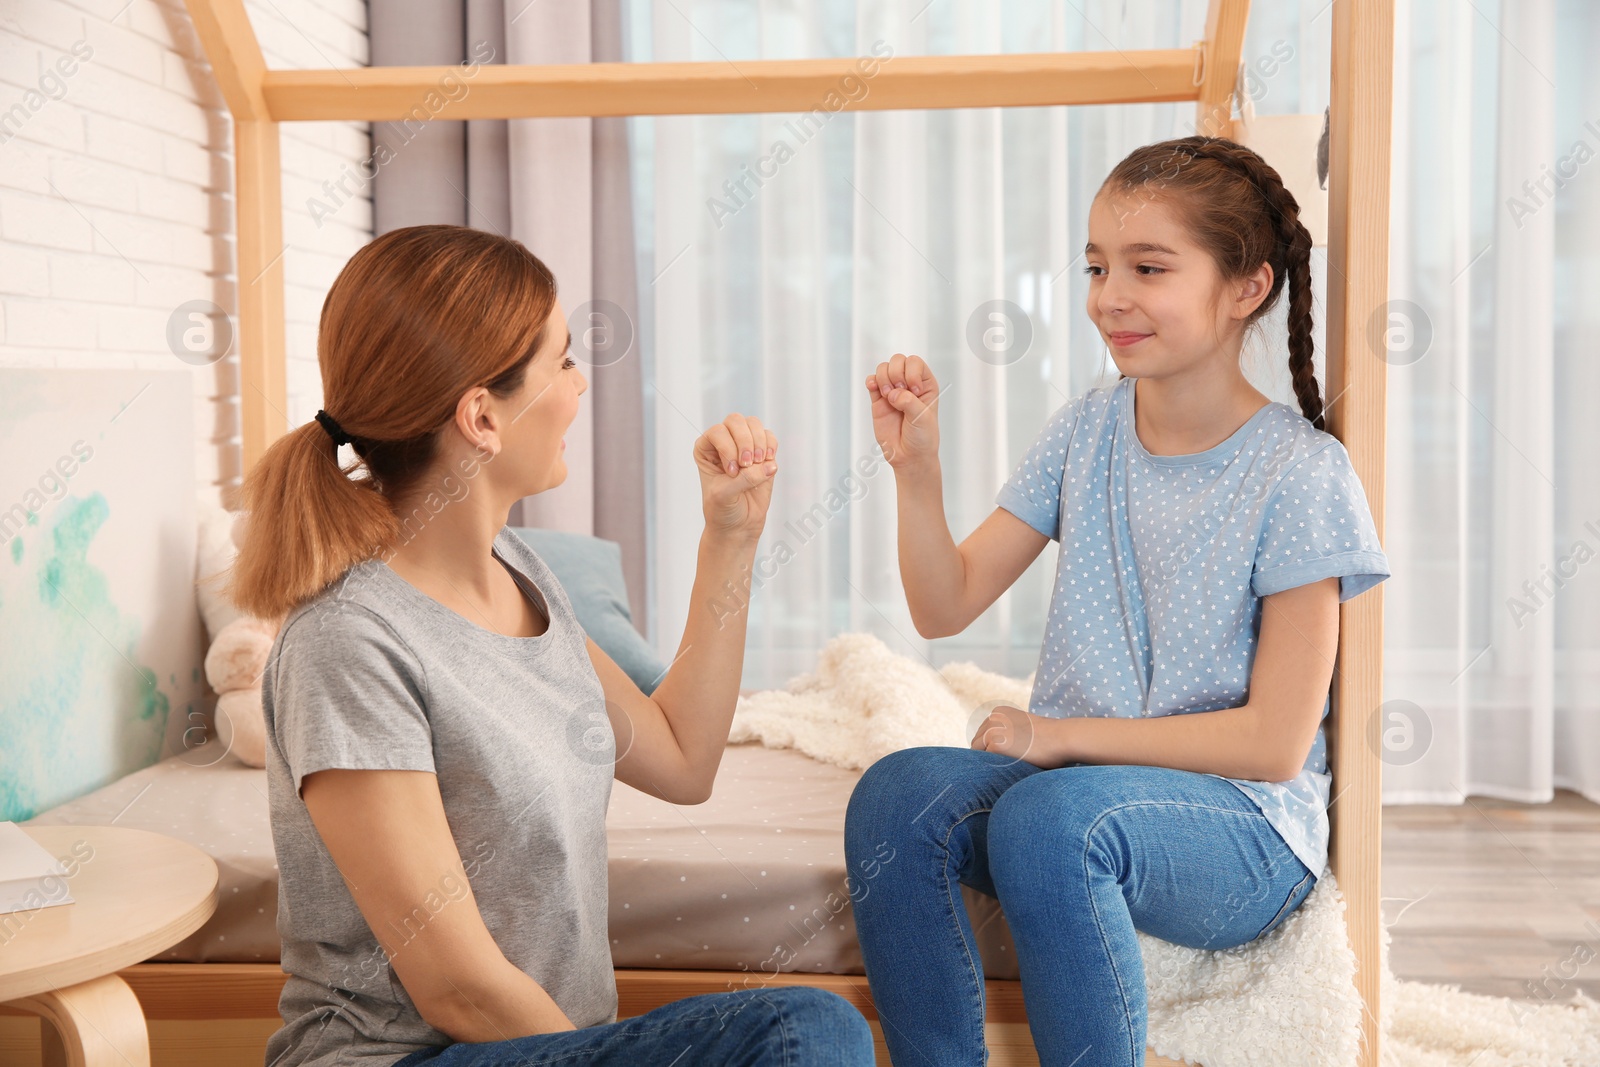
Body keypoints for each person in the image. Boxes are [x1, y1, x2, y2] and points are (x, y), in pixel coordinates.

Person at [227, 225, 875, 1067]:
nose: (579, 390)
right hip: (404, 1058)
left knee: (809, 1031)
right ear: (481, 416)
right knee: (806, 1034)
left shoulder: (522, 573)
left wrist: (732, 539)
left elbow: (682, 760)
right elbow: (457, 986)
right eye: (563, 363)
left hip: (544, 1051)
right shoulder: (349, 642)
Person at [844, 136, 1391, 1067]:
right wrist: (917, 469)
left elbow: (1270, 744)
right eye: (1098, 266)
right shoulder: (1085, 430)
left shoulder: (1301, 472)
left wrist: (1056, 736)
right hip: (1078, 794)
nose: (1110, 296)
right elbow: (945, 605)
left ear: (1247, 288)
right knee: (897, 794)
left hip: (1242, 831)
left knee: (1053, 816)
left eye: (1148, 267)